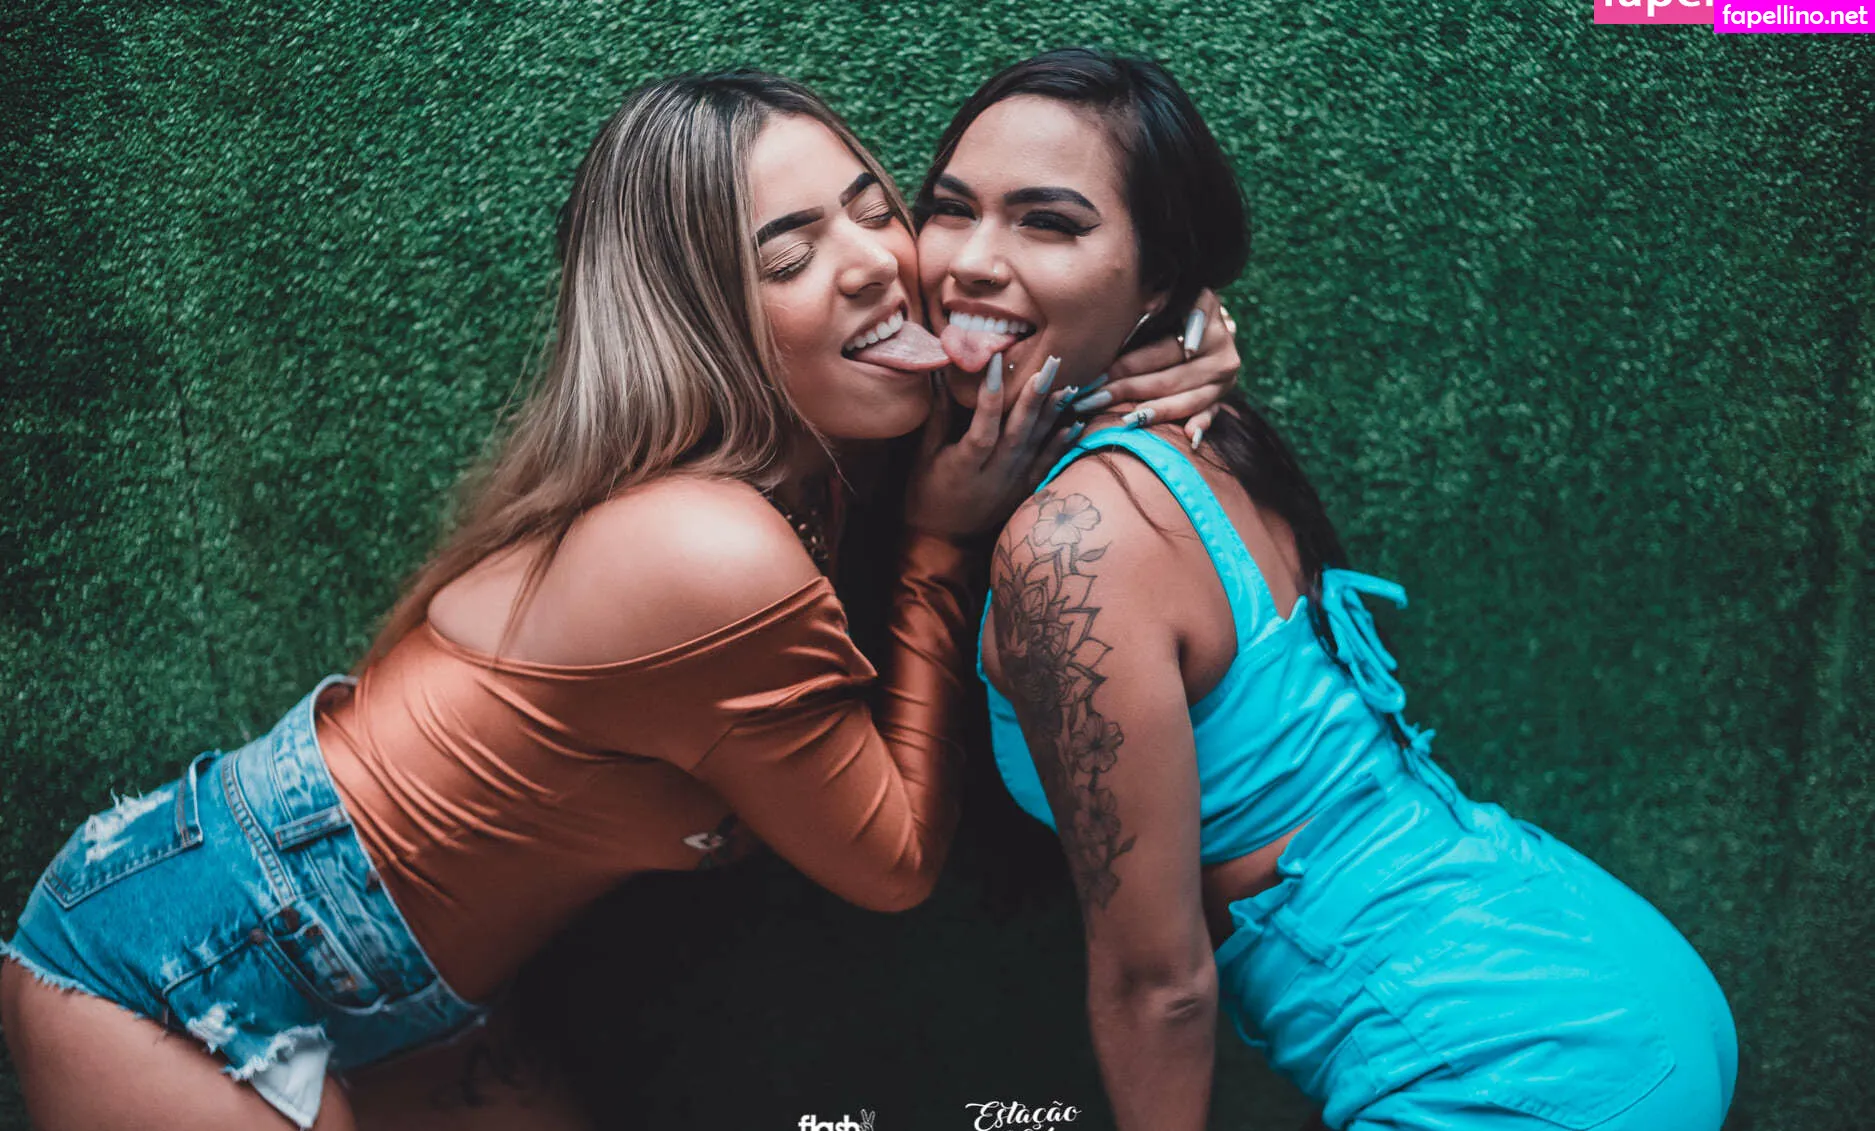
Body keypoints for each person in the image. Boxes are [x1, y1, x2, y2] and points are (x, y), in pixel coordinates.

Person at [0, 70, 1238, 1131]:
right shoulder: (712, 547)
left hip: (411, 992)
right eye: (791, 255)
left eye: (876, 211)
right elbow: (897, 860)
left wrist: (1173, 340)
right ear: (700, 317)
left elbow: (1012, 377)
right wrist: (938, 541)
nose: (876, 264)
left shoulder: (813, 466)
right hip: (166, 968)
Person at [918, 47, 1740, 1131]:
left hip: (1514, 1066)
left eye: (1048, 223)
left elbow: (1159, 985)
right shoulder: (1207, 428)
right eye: (950, 209)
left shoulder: (1077, 542)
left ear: (1159, 284)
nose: (973, 260)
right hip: (1596, 959)